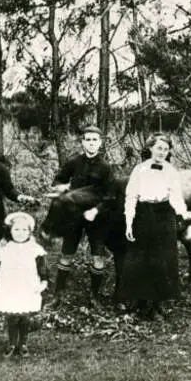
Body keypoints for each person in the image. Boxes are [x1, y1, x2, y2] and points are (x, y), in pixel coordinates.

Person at [120, 133, 191, 320]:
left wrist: (183, 213)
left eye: (166, 149)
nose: (162, 152)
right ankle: (140, 302)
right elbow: (131, 198)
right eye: (159, 148)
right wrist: (129, 223)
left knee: (162, 260)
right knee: (141, 259)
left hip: (164, 216)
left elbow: (176, 197)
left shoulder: (170, 171)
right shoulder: (139, 170)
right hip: (143, 215)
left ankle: (156, 305)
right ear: (150, 148)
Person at [49, 125, 114, 307]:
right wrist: (60, 186)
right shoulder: (74, 162)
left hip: (96, 217)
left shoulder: (106, 168)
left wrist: (96, 210)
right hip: (74, 215)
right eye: (88, 139)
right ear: (82, 142)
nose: (91, 143)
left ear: (100, 143)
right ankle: (58, 295)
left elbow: (110, 197)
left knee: (98, 257)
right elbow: (58, 180)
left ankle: (94, 297)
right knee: (66, 253)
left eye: (95, 140)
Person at [0, 212, 49, 358]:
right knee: (12, 316)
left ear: (29, 231)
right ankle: (12, 343)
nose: (20, 233)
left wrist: (44, 280)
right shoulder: (4, 246)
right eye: (16, 230)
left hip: (27, 285)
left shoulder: (35, 248)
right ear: (10, 230)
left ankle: (23, 343)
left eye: (24, 230)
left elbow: (43, 267)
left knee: (25, 316)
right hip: (9, 285)